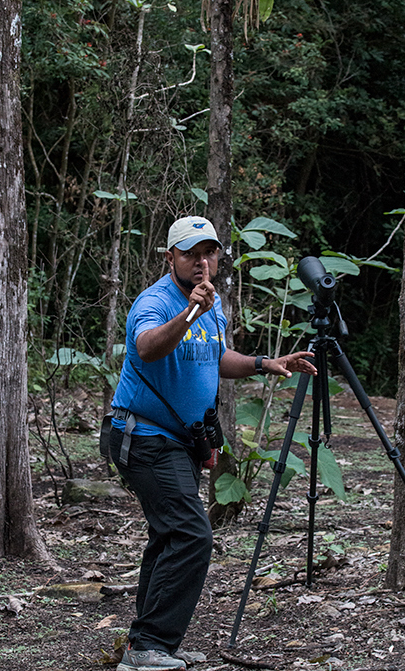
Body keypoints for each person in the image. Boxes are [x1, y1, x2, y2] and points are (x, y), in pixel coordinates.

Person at [108, 216, 317, 671]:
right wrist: (189, 312)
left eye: (209, 253)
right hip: (141, 436)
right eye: (190, 253)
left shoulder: (213, 305)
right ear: (171, 258)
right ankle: (148, 646)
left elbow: (217, 356)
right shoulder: (156, 301)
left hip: (179, 439)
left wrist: (266, 361)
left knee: (169, 537)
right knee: (191, 535)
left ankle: (147, 645)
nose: (201, 262)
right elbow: (147, 348)